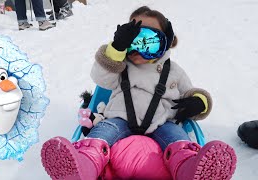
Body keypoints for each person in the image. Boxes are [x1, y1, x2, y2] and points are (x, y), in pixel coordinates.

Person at [41, 6, 237, 180]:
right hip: (120, 119)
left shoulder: (173, 70)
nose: (141, 47)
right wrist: (116, 50)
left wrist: (199, 101)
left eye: (150, 41)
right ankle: (84, 165)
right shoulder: (120, 65)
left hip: (162, 123)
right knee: (103, 133)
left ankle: (190, 168)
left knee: (178, 139)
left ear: (165, 42)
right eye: (134, 38)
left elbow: (190, 92)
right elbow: (101, 78)